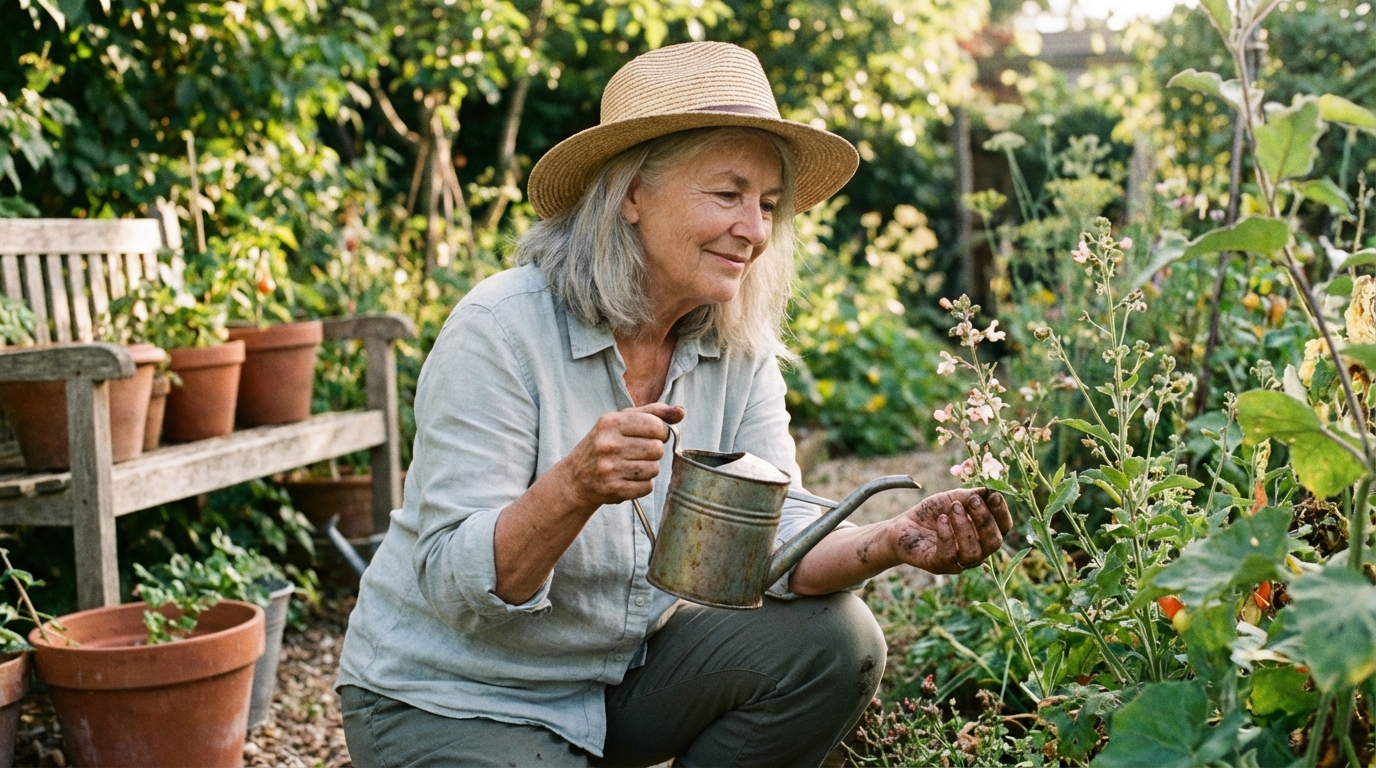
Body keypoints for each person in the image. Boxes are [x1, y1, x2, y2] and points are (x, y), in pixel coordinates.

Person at [336, 41, 1012, 768]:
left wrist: (891, 541)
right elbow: (455, 585)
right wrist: (573, 486)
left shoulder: (736, 345)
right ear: (631, 194)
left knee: (835, 643)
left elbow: (774, 539)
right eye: (728, 194)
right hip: (455, 693)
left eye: (767, 205)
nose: (754, 229)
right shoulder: (500, 329)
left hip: (610, 684)